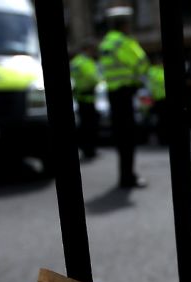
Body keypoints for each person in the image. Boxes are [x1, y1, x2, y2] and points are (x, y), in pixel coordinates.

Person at [98, 6, 149, 189]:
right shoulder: (124, 42)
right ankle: (128, 177)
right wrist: (136, 77)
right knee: (129, 137)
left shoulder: (105, 44)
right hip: (126, 92)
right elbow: (142, 62)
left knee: (120, 137)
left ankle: (124, 176)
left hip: (113, 94)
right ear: (125, 25)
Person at [69, 40, 100, 159]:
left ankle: (86, 149)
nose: (93, 53)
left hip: (80, 97)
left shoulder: (75, 62)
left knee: (84, 126)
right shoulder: (86, 62)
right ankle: (90, 150)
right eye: (92, 50)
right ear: (88, 49)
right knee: (90, 126)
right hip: (88, 97)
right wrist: (98, 81)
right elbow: (92, 77)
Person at [147, 62, 167, 145]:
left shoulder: (152, 72)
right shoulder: (158, 72)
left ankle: (162, 139)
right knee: (163, 121)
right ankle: (163, 139)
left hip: (157, 99)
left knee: (161, 121)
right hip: (161, 100)